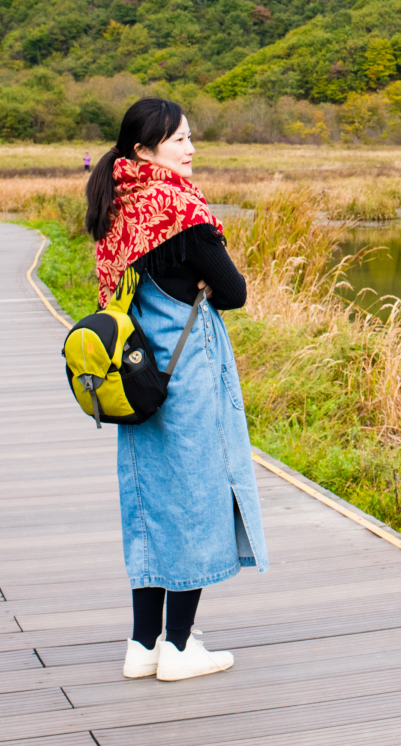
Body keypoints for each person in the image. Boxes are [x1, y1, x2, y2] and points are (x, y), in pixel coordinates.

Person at [82, 98, 267, 681]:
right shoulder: (180, 212)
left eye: (191, 138)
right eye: (180, 140)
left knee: (149, 505)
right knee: (195, 502)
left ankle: (143, 645)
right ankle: (181, 648)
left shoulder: (117, 206)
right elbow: (233, 292)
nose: (191, 149)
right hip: (186, 378)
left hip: (138, 377)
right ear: (144, 150)